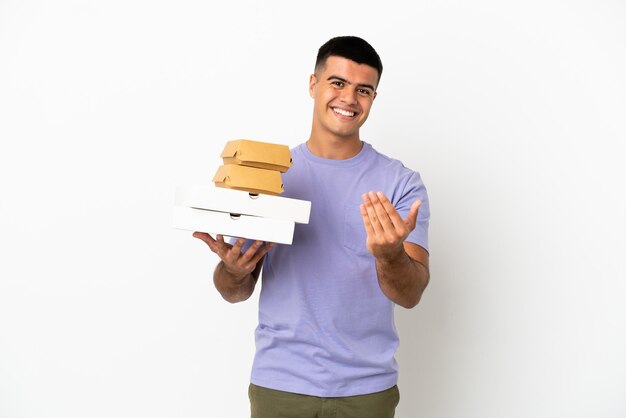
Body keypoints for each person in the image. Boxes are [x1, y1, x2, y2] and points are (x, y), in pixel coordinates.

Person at [193, 35, 430, 418]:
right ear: (313, 84)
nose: (349, 99)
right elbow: (234, 290)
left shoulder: (401, 183)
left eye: (364, 90)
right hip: (280, 385)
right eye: (338, 83)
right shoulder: (269, 176)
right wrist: (233, 270)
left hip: (366, 390)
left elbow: (411, 293)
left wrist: (389, 255)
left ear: (373, 98)